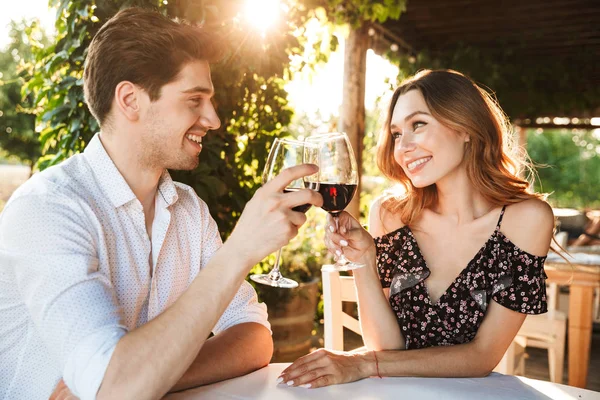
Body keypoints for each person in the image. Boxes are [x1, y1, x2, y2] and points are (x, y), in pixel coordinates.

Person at [0, 8, 322, 400]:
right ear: (131, 100)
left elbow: (254, 338)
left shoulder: (188, 209)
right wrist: (240, 250)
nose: (214, 119)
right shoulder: (47, 211)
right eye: (194, 100)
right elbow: (117, 389)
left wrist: (157, 376)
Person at [279, 69, 554, 388]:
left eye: (418, 125)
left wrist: (361, 362)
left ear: (466, 127)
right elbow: (387, 347)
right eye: (396, 134)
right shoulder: (390, 214)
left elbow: (482, 357)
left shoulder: (527, 220)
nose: (403, 147)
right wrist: (364, 260)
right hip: (393, 392)